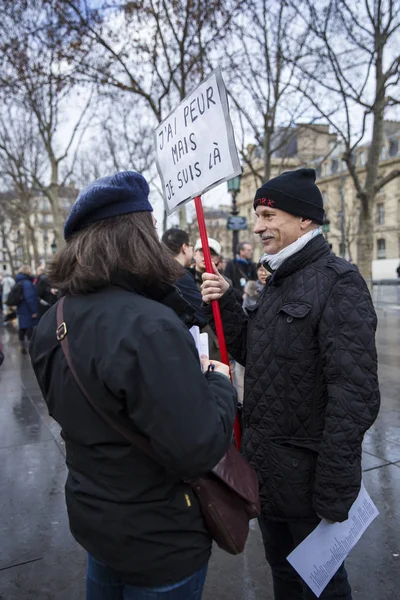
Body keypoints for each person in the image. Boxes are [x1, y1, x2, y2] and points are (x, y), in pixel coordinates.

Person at [29, 171, 237, 600]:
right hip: (159, 539)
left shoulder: (53, 321)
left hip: (96, 523)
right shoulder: (148, 324)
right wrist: (218, 381)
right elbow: (197, 448)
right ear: (137, 235)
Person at [201, 168, 380, 600]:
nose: (258, 226)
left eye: (269, 214)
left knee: (324, 586)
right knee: (282, 576)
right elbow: (257, 355)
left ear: (305, 220)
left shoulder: (339, 282)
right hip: (267, 474)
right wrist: (224, 301)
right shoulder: (279, 280)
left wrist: (335, 490)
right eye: (257, 215)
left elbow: (354, 395)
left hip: (311, 483)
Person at [161, 227, 207, 328]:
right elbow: (201, 313)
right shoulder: (179, 275)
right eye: (191, 246)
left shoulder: (161, 270)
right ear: (184, 247)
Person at [15, 265, 38, 354]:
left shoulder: (18, 281)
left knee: (22, 327)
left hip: (21, 308)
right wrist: (34, 311)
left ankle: (22, 347)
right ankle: (31, 348)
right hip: (27, 309)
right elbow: (30, 298)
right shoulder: (27, 283)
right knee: (29, 328)